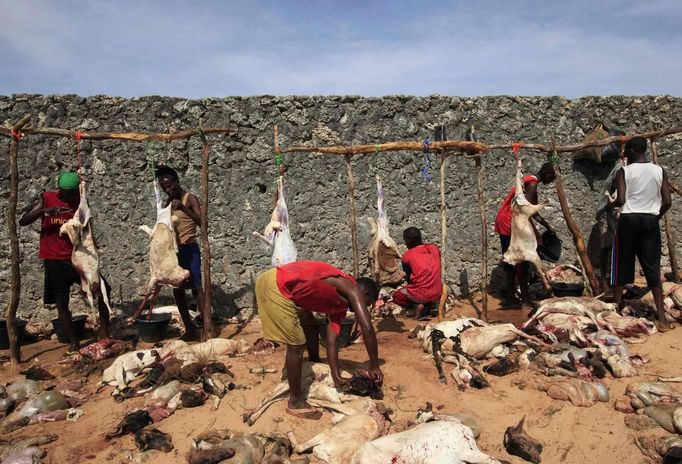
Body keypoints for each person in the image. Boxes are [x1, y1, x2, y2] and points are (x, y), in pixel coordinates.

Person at [255, 260, 382, 420]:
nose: (364, 307)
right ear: (365, 295)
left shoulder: (339, 304)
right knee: (297, 344)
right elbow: (367, 327)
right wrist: (375, 365)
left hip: (285, 287)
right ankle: (295, 402)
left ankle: (313, 361)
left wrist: (336, 375)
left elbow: (332, 340)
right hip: (275, 285)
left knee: (311, 325)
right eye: (367, 304)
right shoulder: (351, 287)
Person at [19, 171, 111, 351]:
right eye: (67, 194)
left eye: (74, 193)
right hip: (54, 259)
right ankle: (73, 342)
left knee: (103, 289)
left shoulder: (80, 201)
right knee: (62, 302)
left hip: (77, 256)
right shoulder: (46, 199)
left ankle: (104, 332)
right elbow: (24, 221)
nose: (70, 197)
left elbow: (88, 227)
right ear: (60, 190)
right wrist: (43, 212)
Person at [611, 137, 672, 330]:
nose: (624, 153)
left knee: (622, 263)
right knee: (652, 267)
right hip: (649, 221)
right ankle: (661, 319)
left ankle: (615, 311)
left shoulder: (625, 171)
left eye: (626, 149)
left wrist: (610, 204)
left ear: (632, 150)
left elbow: (621, 199)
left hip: (628, 220)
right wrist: (655, 217)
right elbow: (667, 201)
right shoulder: (659, 170)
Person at [494, 162, 556, 309]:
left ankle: (511, 298)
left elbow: (529, 211)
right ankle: (525, 300)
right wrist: (544, 229)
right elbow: (527, 212)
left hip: (507, 220)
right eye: (552, 177)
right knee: (521, 259)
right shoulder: (532, 185)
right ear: (547, 174)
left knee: (513, 259)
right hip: (510, 222)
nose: (552, 181)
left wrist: (542, 228)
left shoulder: (529, 181)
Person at [155, 165, 204, 341]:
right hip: (175, 252)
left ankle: (208, 328)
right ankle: (190, 329)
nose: (167, 189)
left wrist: (183, 209)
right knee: (178, 291)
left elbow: (202, 222)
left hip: (189, 249)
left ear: (177, 182)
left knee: (197, 289)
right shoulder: (168, 203)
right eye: (164, 188)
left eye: (169, 185)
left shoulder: (189, 198)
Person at [392, 227, 443, 320]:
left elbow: (409, 277)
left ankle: (418, 306)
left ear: (411, 240)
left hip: (420, 294)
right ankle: (430, 306)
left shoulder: (407, 256)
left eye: (406, 240)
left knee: (396, 296)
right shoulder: (434, 248)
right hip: (437, 292)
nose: (405, 243)